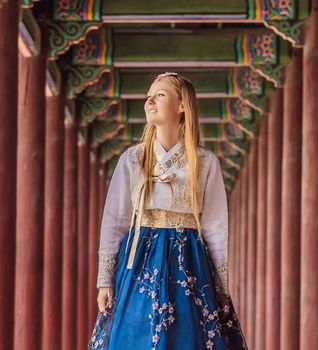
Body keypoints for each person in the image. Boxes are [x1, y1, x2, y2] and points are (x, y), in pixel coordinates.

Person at [88, 72, 247, 350]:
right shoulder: (133, 159)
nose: (150, 99)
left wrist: (222, 287)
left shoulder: (205, 162)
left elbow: (215, 227)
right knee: (133, 336)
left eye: (160, 94)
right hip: (139, 259)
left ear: (182, 105)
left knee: (188, 339)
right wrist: (104, 281)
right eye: (149, 95)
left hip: (189, 261)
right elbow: (115, 221)